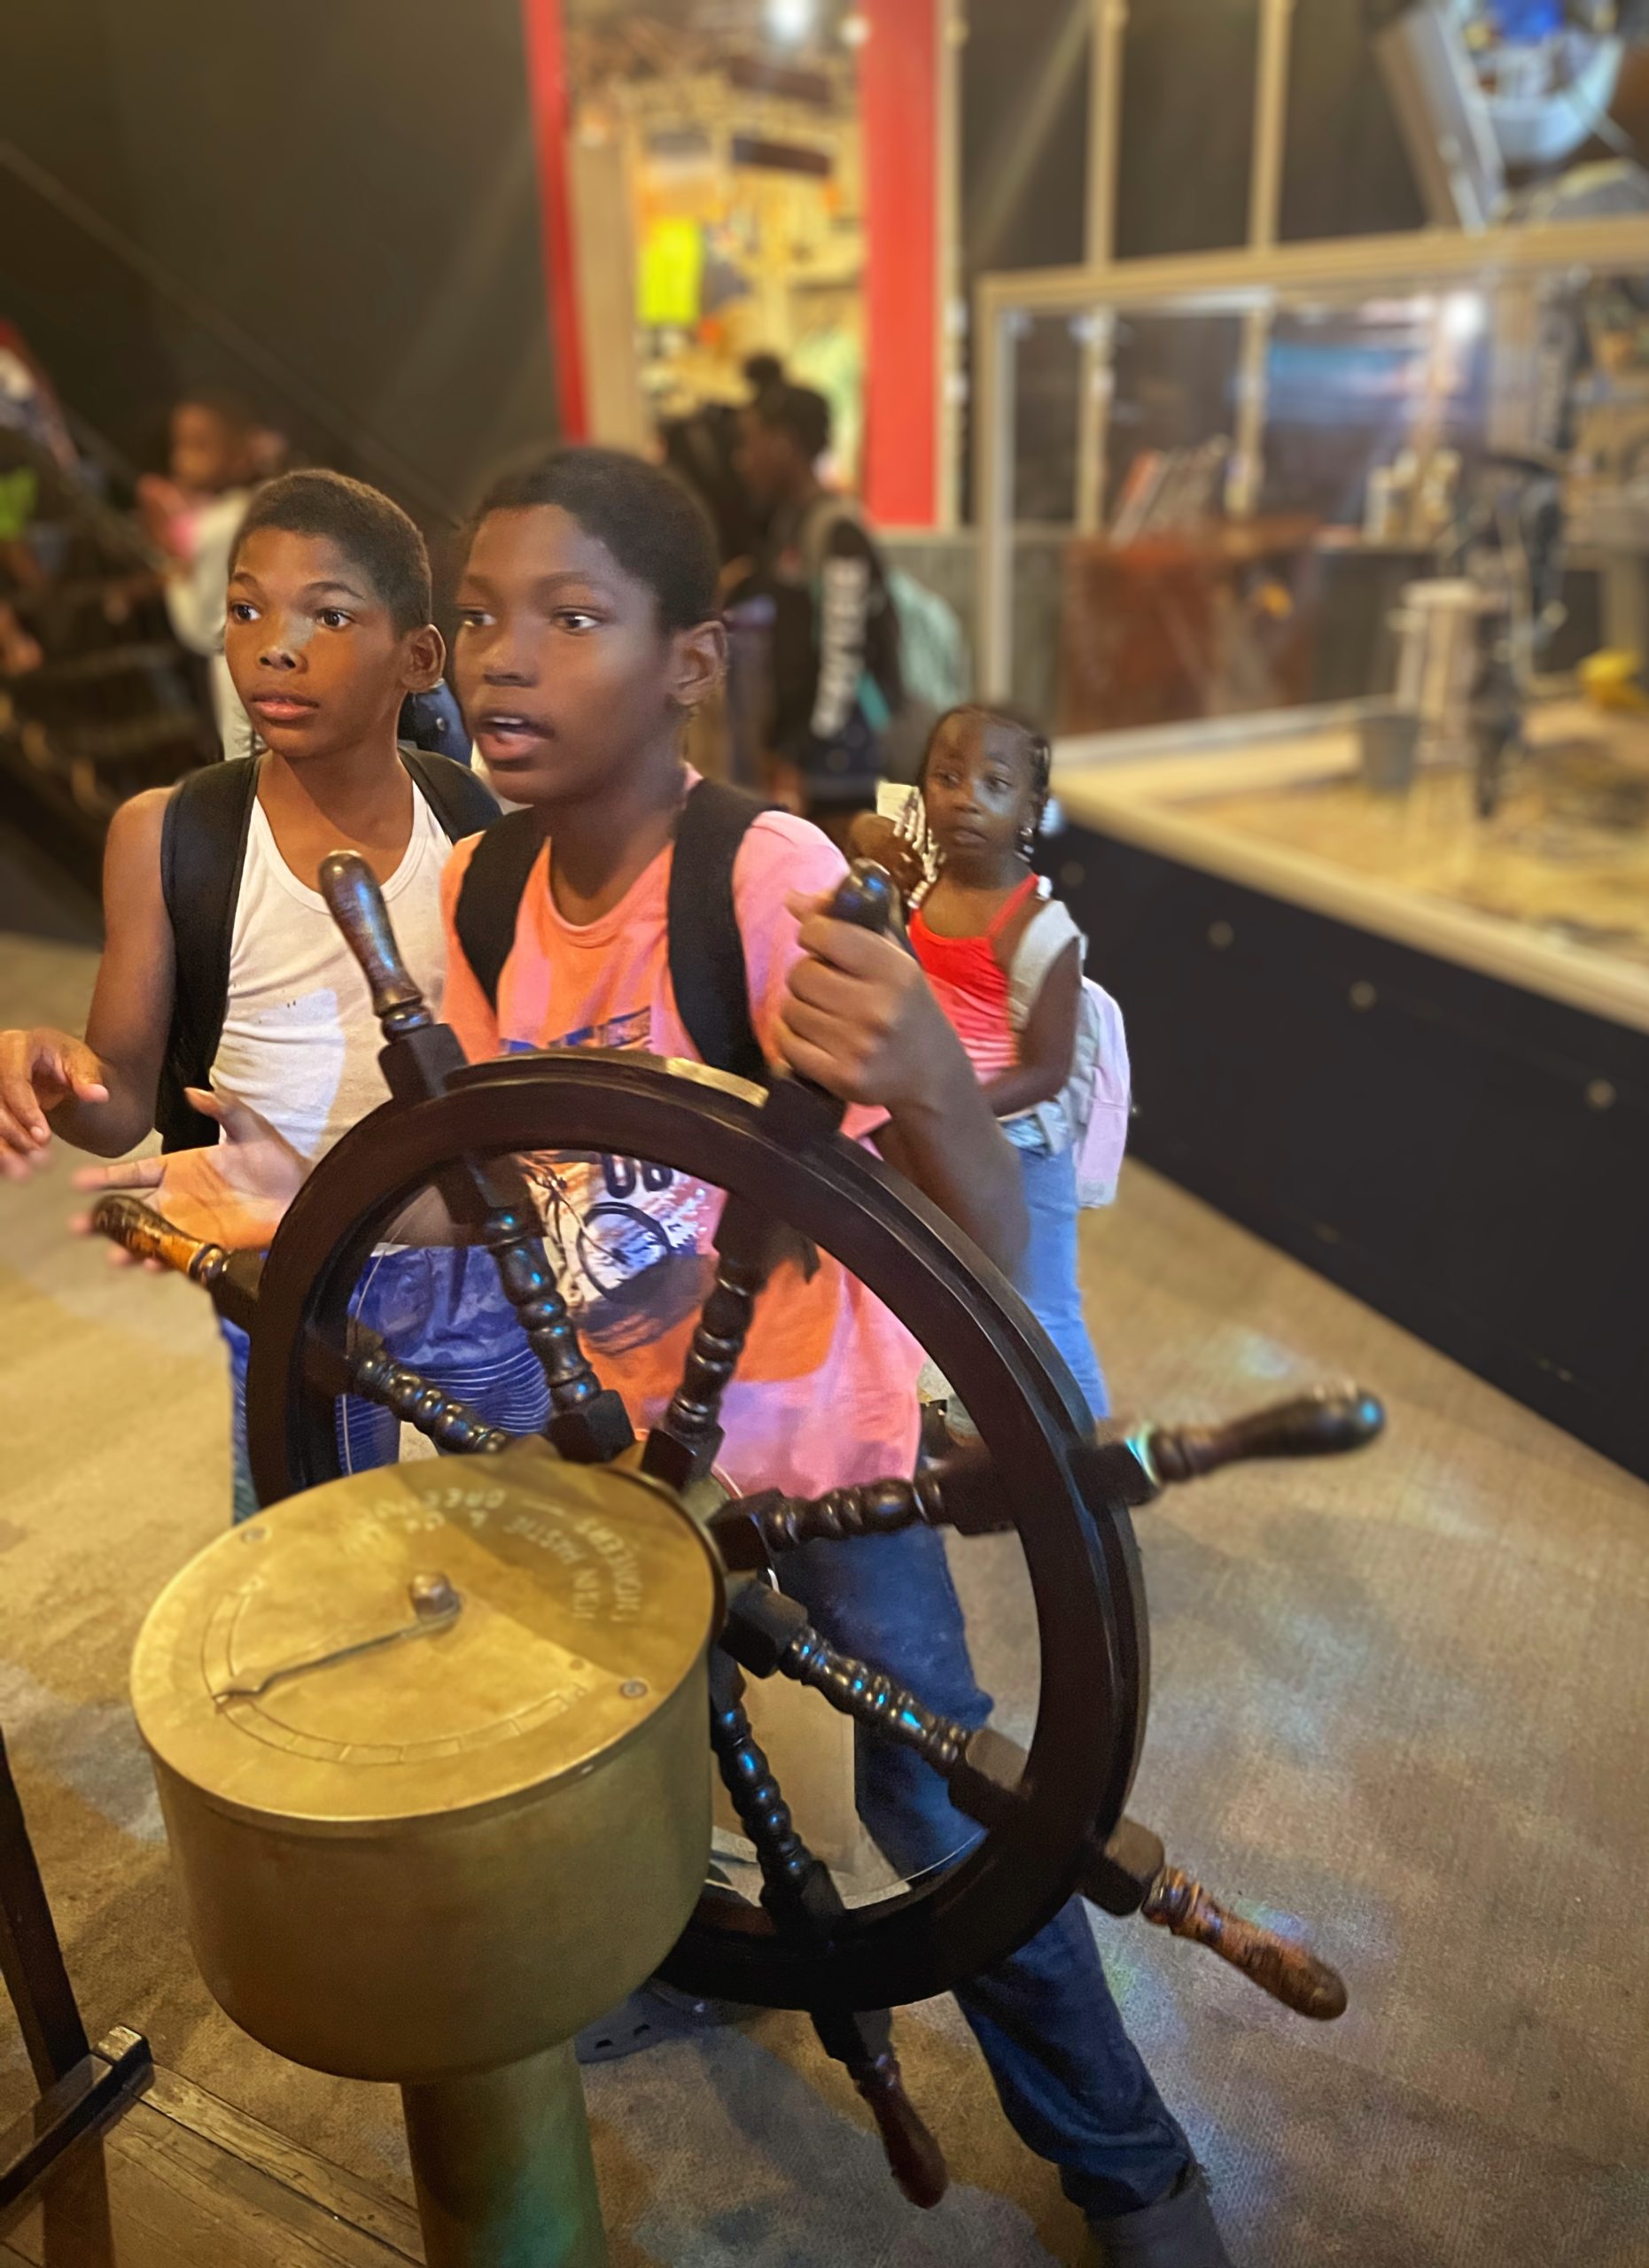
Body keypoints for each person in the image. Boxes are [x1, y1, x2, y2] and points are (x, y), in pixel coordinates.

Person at [73, 446, 1229, 2265]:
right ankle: (671, 1943)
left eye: (576, 618)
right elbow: (473, 1179)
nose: (507, 661)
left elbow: (984, 1274)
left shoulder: (766, 882)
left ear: (691, 661)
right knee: (629, 1732)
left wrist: (927, 1068)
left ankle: (1128, 2158)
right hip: (610, 1445)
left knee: (947, 1799)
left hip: (824, 1448)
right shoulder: (477, 899)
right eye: (484, 620)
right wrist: (279, 1210)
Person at [0, 468, 543, 1517]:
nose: (273, 644)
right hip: (283, 1263)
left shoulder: (472, 822)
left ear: (418, 657)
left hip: (466, 1253)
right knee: (311, 1556)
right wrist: (56, 1069)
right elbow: (115, 1106)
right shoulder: (169, 835)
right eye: (246, 608)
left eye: (328, 614)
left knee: (537, 1530)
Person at [856, 705, 1109, 1421]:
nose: (967, 797)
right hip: (939, 1124)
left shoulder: (1037, 927)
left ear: (1033, 809)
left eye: (996, 784)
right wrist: (869, 831)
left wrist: (952, 1102)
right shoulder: (924, 882)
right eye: (947, 777)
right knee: (954, 1285)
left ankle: (1085, 1463)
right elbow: (867, 827)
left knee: (1042, 1304)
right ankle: (986, 1430)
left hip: (1018, 1143)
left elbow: (1049, 1069)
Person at [734, 381, 904, 850]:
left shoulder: (836, 530)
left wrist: (805, 751)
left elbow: (844, 656)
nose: (743, 458)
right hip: (807, 756)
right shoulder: (790, 522)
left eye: (753, 440)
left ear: (785, 443)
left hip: (842, 767)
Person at [136, 390, 275, 760]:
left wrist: (173, 570)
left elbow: (200, 629)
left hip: (240, 665)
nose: (182, 459)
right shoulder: (268, 502)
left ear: (236, 452)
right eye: (179, 445)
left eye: (200, 446)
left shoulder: (220, 525)